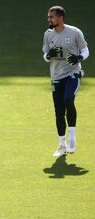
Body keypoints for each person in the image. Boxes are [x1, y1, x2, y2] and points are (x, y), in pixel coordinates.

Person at [42, 6, 89, 157]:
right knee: (59, 112)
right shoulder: (48, 34)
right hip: (56, 76)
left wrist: (79, 58)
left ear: (60, 17)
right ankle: (62, 145)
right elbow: (44, 55)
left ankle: (72, 139)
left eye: (52, 17)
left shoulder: (75, 32)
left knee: (68, 98)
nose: (49, 19)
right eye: (48, 17)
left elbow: (85, 50)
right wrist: (49, 55)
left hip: (72, 73)